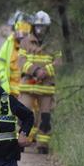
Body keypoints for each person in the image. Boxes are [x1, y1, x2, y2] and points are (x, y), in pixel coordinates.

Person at [17, 10, 62, 154]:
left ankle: (43, 145)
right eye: (37, 26)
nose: (40, 29)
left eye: (43, 27)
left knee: (45, 118)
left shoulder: (54, 44)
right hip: (29, 85)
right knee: (23, 114)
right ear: (33, 26)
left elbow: (59, 62)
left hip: (46, 87)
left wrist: (46, 71)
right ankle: (21, 142)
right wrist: (36, 71)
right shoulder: (25, 42)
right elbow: (21, 61)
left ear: (48, 28)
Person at [0, 11, 32, 97]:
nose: (21, 34)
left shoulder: (33, 44)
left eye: (24, 31)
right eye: (19, 30)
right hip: (11, 92)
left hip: (28, 92)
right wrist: (4, 80)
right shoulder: (9, 43)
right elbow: (0, 63)